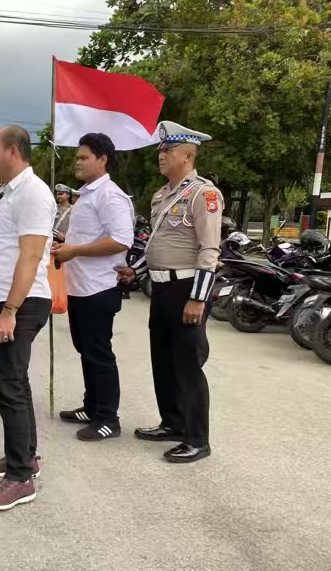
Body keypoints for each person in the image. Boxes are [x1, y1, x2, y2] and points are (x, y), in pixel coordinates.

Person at [116, 121, 223, 464]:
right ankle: (172, 423)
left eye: (168, 150)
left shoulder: (204, 194)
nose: (161, 156)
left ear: (188, 156)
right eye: (161, 150)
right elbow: (157, 244)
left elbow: (209, 249)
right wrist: (137, 271)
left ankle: (197, 439)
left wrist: (198, 298)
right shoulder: (162, 195)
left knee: (188, 366)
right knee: (163, 361)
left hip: (186, 289)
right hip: (161, 288)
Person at [0, 126, 55, 511]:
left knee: (8, 382)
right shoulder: (11, 195)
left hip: (23, 302)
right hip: (6, 299)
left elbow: (31, 256)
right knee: (15, 381)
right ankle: (24, 457)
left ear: (13, 151)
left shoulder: (34, 193)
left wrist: (9, 310)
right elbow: (2, 255)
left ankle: (21, 477)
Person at [52, 133, 134, 441]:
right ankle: (92, 406)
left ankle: (108, 418)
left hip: (99, 287)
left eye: (84, 157)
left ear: (102, 160)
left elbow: (121, 240)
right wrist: (65, 243)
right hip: (79, 287)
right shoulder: (86, 194)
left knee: (99, 353)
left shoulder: (110, 196)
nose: (78, 162)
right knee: (85, 349)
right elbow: (87, 235)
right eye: (77, 157)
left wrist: (74, 250)